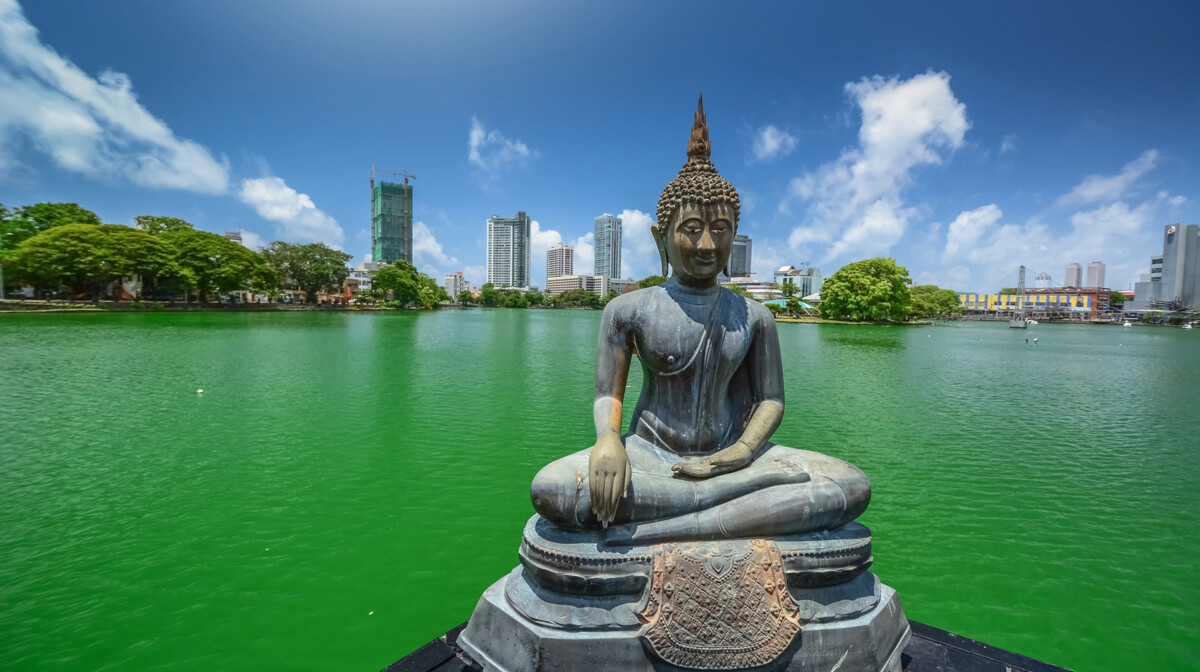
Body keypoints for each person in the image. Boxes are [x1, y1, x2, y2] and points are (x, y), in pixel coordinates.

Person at [531, 96, 869, 546]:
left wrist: (741, 453)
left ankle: (677, 524)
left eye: (722, 231)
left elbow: (771, 400)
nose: (708, 244)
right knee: (553, 490)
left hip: (735, 459)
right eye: (691, 230)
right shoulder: (628, 310)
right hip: (652, 457)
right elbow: (604, 395)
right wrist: (608, 441)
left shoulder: (755, 316)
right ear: (662, 239)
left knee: (848, 486)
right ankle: (729, 513)